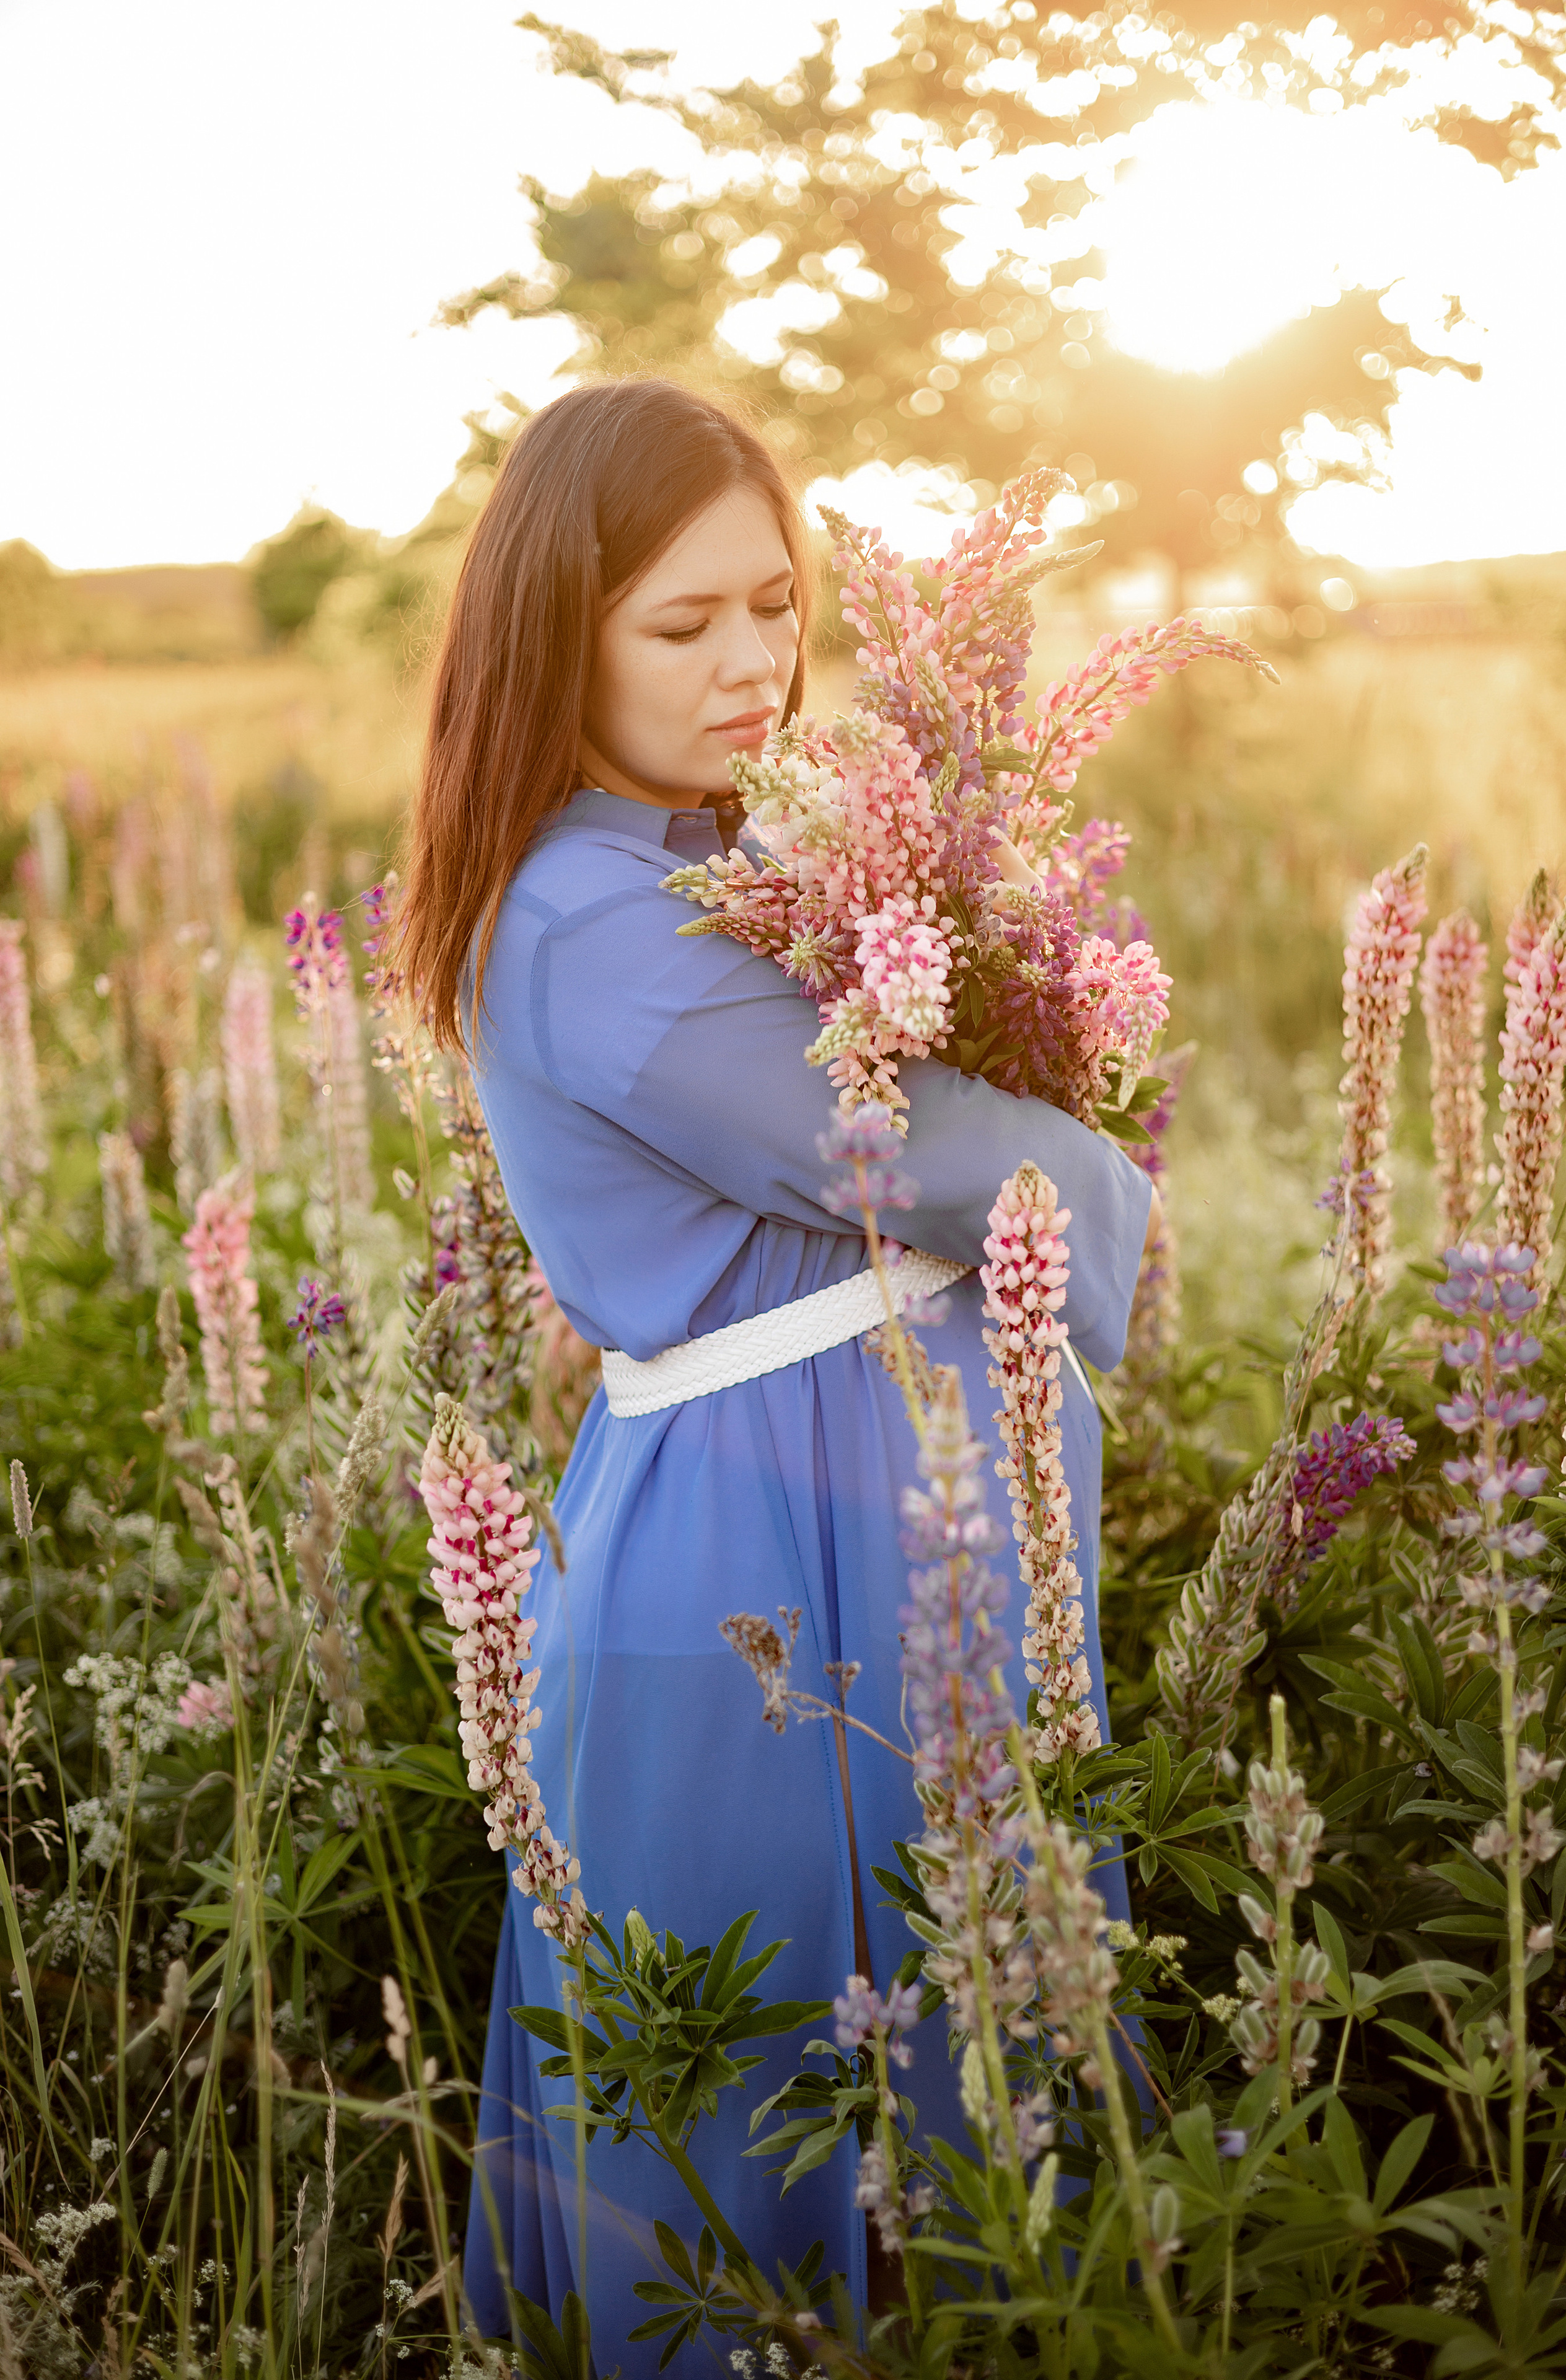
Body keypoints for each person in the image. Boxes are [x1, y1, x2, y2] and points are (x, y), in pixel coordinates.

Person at [396, 377, 1153, 2361]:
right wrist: (1086, 1153)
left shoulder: (685, 862)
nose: (755, 664)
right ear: (555, 631)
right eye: (683, 624)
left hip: (846, 1479)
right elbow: (911, 1148)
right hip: (754, 1527)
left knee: (959, 2031)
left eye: (775, 606)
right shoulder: (586, 918)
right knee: (777, 2104)